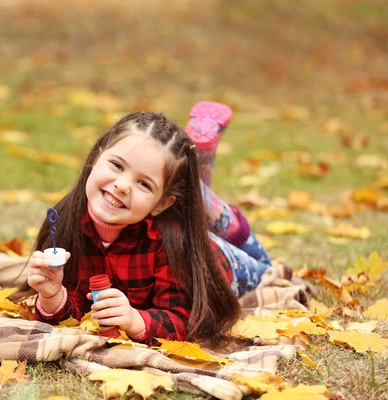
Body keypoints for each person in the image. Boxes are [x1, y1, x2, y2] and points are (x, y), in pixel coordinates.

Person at [24, 103, 272, 347]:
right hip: (174, 220)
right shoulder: (65, 221)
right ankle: (196, 178)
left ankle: (201, 187)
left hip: (229, 263)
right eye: (117, 165)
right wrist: (52, 294)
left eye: (144, 184)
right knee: (185, 192)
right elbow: (73, 310)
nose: (122, 185)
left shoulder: (174, 243)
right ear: (96, 156)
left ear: (161, 205)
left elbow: (184, 319)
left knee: (262, 264)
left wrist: (135, 320)